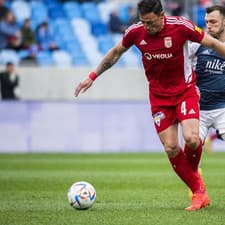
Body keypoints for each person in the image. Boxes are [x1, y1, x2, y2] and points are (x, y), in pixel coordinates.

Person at [75, 0, 225, 211]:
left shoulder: (181, 26)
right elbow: (116, 52)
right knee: (171, 148)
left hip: (185, 92)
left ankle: (195, 183)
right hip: (159, 98)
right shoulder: (136, 32)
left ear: (162, 15)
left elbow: (211, 43)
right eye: (144, 22)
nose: (148, 27)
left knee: (191, 139)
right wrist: (92, 76)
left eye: (151, 22)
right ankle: (199, 192)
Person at [189, 5, 225, 150]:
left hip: (223, 107)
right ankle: (194, 173)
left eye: (213, 22)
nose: (209, 26)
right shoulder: (197, 44)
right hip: (198, 109)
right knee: (191, 146)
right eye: (207, 22)